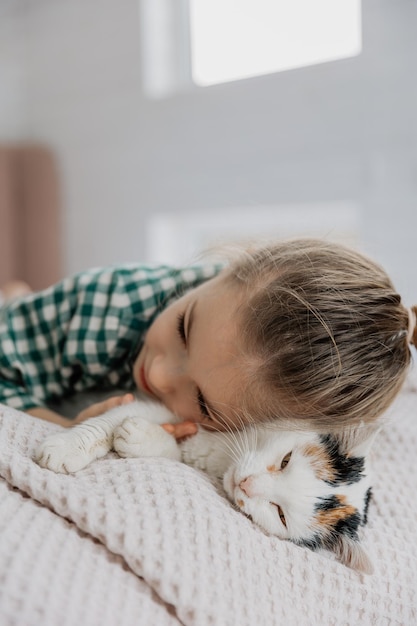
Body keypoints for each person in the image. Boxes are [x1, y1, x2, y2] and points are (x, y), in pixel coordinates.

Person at [0, 239, 415, 439]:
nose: (159, 374)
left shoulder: (288, 413)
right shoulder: (108, 307)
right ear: (225, 269)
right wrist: (63, 425)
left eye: (202, 402)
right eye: (183, 327)